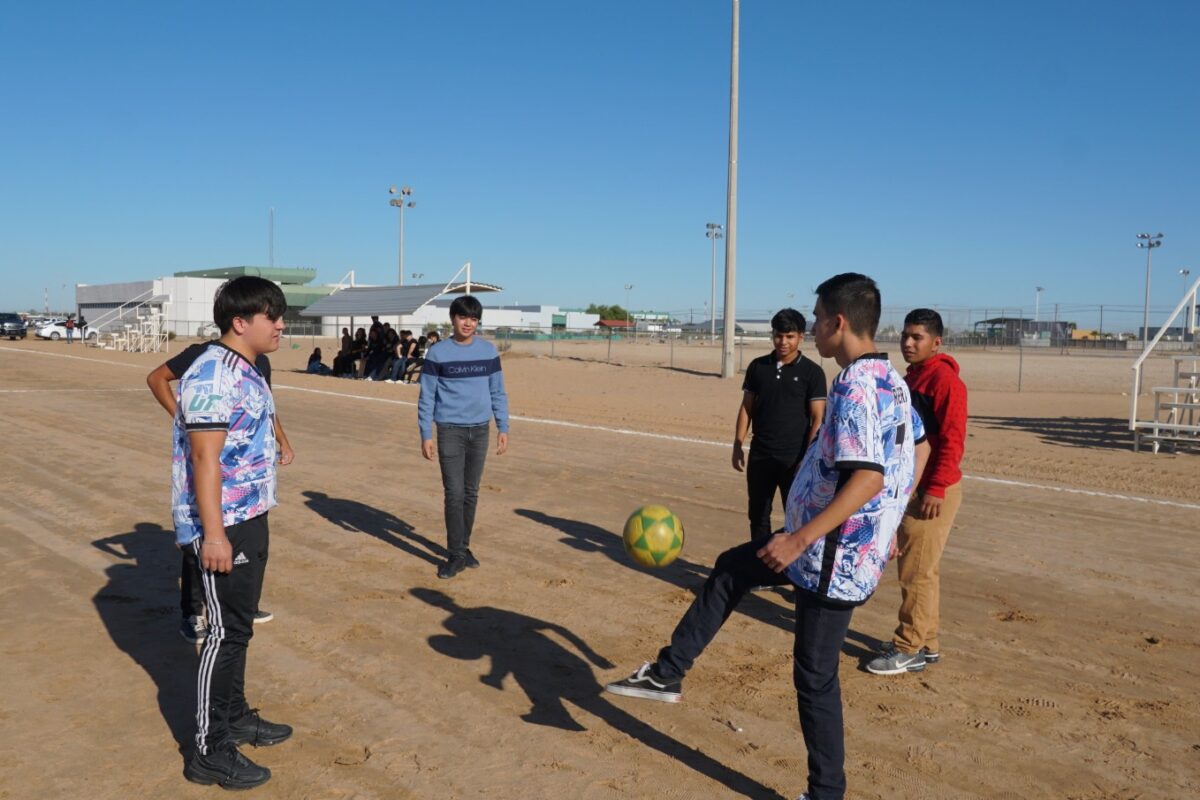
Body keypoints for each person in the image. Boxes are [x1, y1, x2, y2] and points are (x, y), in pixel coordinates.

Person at [604, 273, 929, 800]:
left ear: (837, 322)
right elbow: (918, 443)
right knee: (734, 567)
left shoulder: (857, 386)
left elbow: (868, 475)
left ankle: (826, 793)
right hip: (836, 546)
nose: (814, 327)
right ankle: (667, 673)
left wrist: (802, 540)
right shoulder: (891, 378)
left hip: (829, 557)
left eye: (818, 318)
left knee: (815, 678)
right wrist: (888, 519)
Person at [172, 276, 294, 789]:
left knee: (238, 628)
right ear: (240, 322)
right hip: (224, 524)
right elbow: (204, 458)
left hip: (250, 515)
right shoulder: (212, 374)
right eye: (273, 316)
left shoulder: (247, 368)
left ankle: (235, 715)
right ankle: (208, 748)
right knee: (222, 633)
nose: (282, 325)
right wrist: (215, 535)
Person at [147, 337, 295, 644]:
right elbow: (156, 378)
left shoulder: (259, 360)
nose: (278, 325)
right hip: (212, 470)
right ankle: (193, 613)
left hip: (250, 480)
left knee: (256, 546)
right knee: (198, 549)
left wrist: (282, 439)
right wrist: (189, 419)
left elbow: (264, 406)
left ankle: (246, 604)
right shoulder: (204, 356)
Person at [866, 308, 968, 676]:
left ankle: (908, 648)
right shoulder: (913, 376)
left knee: (915, 572)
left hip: (932, 490)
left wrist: (935, 489)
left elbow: (953, 441)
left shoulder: (945, 382)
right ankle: (928, 643)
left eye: (917, 338)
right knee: (925, 570)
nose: (908, 343)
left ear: (936, 342)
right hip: (917, 484)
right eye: (905, 336)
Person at [417, 295, 510, 579]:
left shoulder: (488, 351)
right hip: (450, 431)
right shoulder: (438, 353)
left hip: (480, 430)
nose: (468, 323)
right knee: (454, 494)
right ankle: (456, 554)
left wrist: (503, 427)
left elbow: (498, 391)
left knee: (471, 493)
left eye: (473, 318)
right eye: (462, 317)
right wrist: (426, 433)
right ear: (453, 319)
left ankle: (464, 547)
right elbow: (427, 396)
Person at [732, 308, 827, 541]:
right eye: (778, 335)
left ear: (801, 337)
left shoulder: (812, 373)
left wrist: (806, 458)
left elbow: (817, 419)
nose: (783, 342)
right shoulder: (757, 367)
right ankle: (757, 568)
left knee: (795, 518)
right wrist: (737, 445)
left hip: (794, 461)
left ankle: (793, 570)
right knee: (758, 515)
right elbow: (747, 408)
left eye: (790, 336)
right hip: (760, 456)